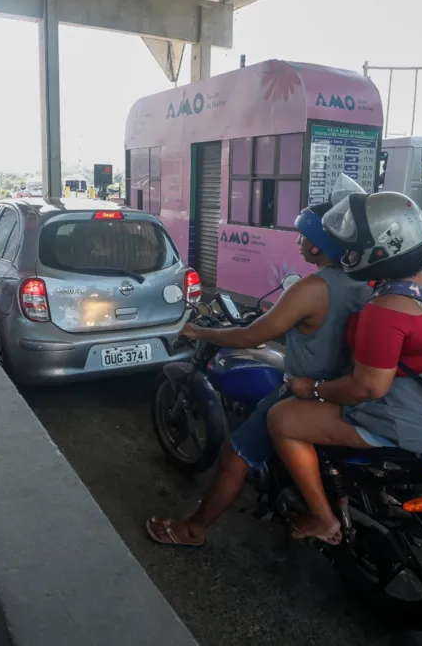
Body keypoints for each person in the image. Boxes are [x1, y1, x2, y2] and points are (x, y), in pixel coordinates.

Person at [146, 197, 371, 547]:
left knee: (234, 456)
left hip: (305, 389)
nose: (297, 241)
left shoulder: (312, 289)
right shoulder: (366, 282)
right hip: (344, 389)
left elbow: (253, 335)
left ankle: (194, 530)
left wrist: (201, 332)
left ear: (316, 244)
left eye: (301, 235)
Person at [267, 192, 422, 544]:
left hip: (408, 418)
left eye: (352, 248)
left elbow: (368, 388)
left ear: (381, 250)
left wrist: (313, 390)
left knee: (281, 419)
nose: (347, 255)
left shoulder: (388, 308)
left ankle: (323, 518)